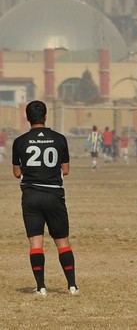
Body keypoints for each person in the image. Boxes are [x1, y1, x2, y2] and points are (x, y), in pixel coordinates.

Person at [12, 100, 79, 296]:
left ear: (27, 117)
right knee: (62, 241)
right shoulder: (59, 139)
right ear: (46, 116)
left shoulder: (19, 141)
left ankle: (41, 287)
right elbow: (66, 170)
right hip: (54, 195)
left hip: (31, 196)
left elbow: (17, 173)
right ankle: (72, 286)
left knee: (36, 242)